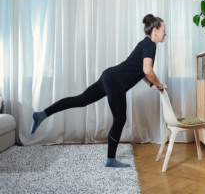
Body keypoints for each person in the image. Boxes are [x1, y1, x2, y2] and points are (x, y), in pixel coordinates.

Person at [30, 14, 168, 168]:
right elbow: (147, 70)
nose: (165, 33)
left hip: (109, 76)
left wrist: (151, 85)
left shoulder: (145, 43)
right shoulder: (150, 45)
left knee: (81, 100)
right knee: (120, 119)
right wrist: (160, 85)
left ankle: (41, 114)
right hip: (116, 83)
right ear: (155, 31)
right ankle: (111, 159)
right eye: (164, 30)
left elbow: (141, 71)